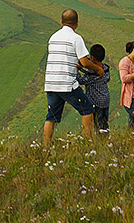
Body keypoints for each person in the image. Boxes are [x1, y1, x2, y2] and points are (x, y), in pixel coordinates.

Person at [44, 9, 103, 145]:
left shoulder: (53, 37)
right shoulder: (76, 38)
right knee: (87, 109)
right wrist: (98, 69)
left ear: (61, 22)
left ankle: (46, 146)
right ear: (76, 23)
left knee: (51, 116)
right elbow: (84, 62)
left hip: (51, 83)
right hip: (66, 83)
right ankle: (88, 142)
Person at [77, 43, 112, 133]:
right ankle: (106, 137)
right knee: (104, 123)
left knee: (98, 124)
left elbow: (81, 80)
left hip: (96, 102)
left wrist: (76, 70)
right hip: (106, 99)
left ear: (92, 57)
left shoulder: (93, 73)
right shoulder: (105, 69)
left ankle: (100, 140)